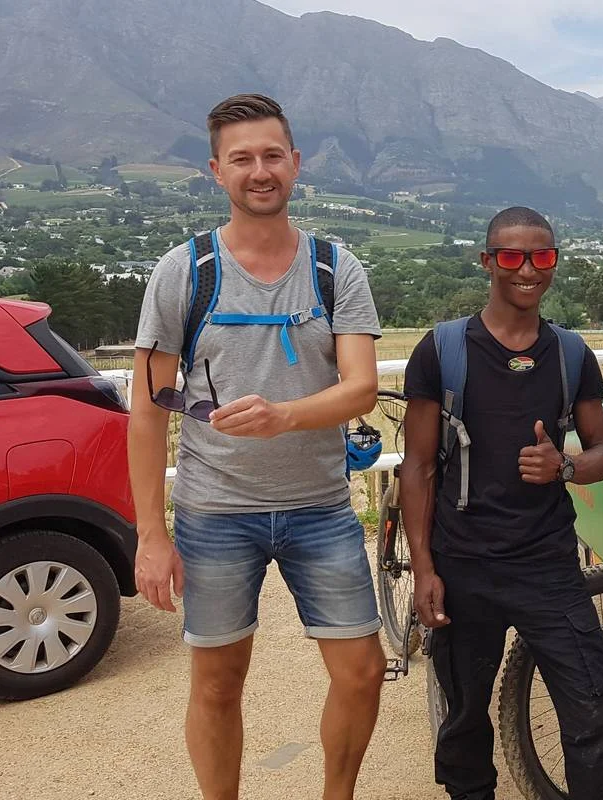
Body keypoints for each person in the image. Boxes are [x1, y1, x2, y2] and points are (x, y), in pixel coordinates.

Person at [129, 93, 385, 800]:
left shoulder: (335, 267)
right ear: (217, 171)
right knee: (218, 683)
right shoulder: (185, 271)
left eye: (273, 155)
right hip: (214, 512)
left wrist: (285, 416)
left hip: (321, 508)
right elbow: (148, 409)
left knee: (363, 673)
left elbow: (362, 387)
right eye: (241, 158)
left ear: (295, 163)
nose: (260, 170)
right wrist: (151, 536)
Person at [398, 206, 603, 800]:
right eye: (511, 256)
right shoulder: (443, 350)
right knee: (464, 717)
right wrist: (423, 568)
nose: (527, 270)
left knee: (592, 711)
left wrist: (565, 466)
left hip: (546, 565)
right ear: (487, 262)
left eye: (542, 256)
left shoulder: (571, 355)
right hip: (463, 563)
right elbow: (418, 466)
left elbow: (602, 451)